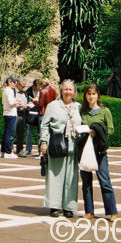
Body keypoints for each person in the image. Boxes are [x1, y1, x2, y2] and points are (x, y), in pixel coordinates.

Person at [39, 79, 82, 217]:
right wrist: (43, 142)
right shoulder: (53, 106)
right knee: (55, 175)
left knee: (71, 177)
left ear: (74, 91)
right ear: (61, 90)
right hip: (56, 143)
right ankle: (54, 206)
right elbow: (44, 125)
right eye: (65, 89)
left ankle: (69, 206)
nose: (68, 92)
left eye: (70, 89)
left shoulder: (79, 107)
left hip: (73, 145)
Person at [78, 83, 118, 221]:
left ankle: (112, 211)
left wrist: (99, 132)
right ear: (85, 96)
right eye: (89, 94)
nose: (91, 96)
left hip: (99, 150)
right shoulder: (82, 111)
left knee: (104, 180)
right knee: (86, 182)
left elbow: (111, 129)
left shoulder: (104, 111)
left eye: (94, 94)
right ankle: (89, 211)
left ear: (98, 95)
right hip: (85, 149)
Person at [0, 76, 22, 158]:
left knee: (6, 133)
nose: (15, 84)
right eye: (14, 82)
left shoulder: (5, 90)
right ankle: (8, 152)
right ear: (10, 82)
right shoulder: (9, 91)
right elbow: (11, 102)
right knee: (10, 133)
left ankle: (3, 151)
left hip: (6, 113)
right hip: (11, 113)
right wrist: (17, 102)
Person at [20, 78, 42, 157]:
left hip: (39, 112)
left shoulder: (42, 91)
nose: (36, 88)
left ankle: (40, 150)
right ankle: (28, 149)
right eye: (35, 87)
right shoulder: (29, 90)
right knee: (29, 131)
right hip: (31, 112)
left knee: (40, 133)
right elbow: (25, 98)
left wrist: (35, 101)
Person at [15, 78, 30, 156]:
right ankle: (8, 149)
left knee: (21, 133)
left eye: (24, 86)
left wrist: (27, 105)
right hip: (15, 113)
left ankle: (19, 149)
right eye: (22, 86)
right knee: (12, 132)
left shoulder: (25, 93)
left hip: (23, 113)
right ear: (17, 84)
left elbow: (26, 101)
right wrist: (18, 105)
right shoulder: (13, 92)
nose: (23, 88)